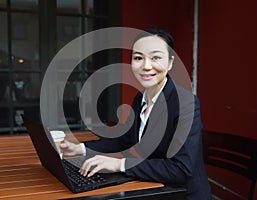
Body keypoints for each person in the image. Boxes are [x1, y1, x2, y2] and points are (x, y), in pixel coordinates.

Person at [60, 28, 211, 199]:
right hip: (151, 186)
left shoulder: (186, 103)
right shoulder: (141, 98)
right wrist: (79, 149)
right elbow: (124, 139)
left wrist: (120, 164)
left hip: (181, 194)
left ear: (170, 63)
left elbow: (180, 169)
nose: (146, 66)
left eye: (156, 57)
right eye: (138, 58)